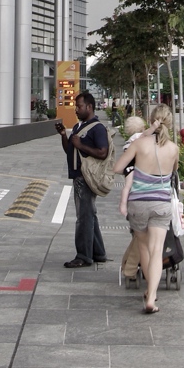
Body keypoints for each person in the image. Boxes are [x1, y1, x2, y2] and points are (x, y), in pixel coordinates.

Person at [112, 103, 180, 314]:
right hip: (161, 204)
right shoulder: (174, 148)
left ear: (151, 120)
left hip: (138, 203)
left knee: (143, 248)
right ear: (170, 123)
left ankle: (150, 290)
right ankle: (151, 297)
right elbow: (174, 172)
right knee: (157, 251)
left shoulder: (139, 144)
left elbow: (117, 168)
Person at [57, 91, 109, 268]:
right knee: (89, 215)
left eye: (79, 106)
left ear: (89, 107)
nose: (76, 110)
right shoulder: (79, 127)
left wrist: (81, 145)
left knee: (84, 217)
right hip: (78, 177)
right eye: (75, 106)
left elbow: (103, 152)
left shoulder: (97, 128)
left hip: (86, 177)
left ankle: (83, 256)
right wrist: (64, 135)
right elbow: (70, 150)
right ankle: (98, 252)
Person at [115, 116, 147, 284]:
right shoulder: (144, 145)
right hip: (146, 196)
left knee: (138, 235)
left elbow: (126, 180)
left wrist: (123, 204)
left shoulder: (128, 148)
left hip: (134, 199)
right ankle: (130, 267)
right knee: (143, 237)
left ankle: (128, 264)